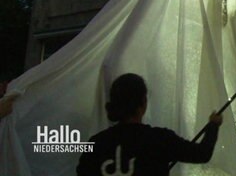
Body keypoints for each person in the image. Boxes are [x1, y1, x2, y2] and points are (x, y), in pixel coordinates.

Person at [76, 73, 222, 176]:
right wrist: (213, 125)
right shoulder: (160, 139)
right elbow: (201, 154)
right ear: (143, 104)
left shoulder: (96, 144)